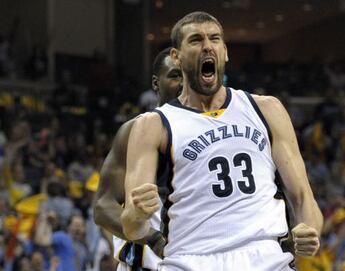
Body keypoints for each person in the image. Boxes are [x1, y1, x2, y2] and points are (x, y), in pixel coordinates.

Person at [121, 11, 323, 270]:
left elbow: (304, 197)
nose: (207, 45)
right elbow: (131, 227)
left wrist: (310, 230)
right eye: (195, 40)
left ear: (224, 51)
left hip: (265, 255)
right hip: (190, 259)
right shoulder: (152, 125)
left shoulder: (266, 109)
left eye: (214, 39)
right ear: (176, 56)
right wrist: (138, 213)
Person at [93, 47, 182, 271]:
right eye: (174, 75)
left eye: (187, 76)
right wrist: (152, 238)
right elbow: (103, 207)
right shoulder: (133, 131)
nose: (182, 83)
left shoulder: (213, 134)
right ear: (155, 83)